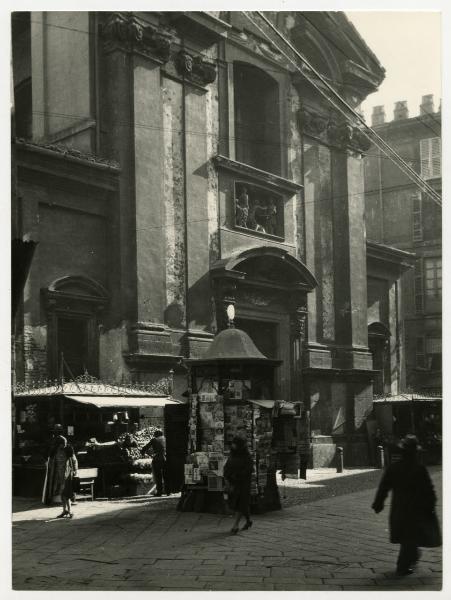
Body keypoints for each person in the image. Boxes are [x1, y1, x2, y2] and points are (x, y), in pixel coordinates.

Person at [372, 434, 439, 575]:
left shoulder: (394, 468)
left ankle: (410, 558)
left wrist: (378, 503)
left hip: (400, 508)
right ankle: (403, 565)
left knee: (407, 536)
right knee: (411, 536)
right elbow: (429, 490)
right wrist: (431, 505)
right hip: (416, 509)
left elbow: (384, 487)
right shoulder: (419, 469)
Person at [42, 435, 78, 518]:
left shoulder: (68, 450)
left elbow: (74, 460)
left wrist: (75, 470)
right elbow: (50, 462)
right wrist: (49, 467)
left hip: (67, 474)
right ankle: (65, 510)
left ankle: (69, 511)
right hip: (58, 475)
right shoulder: (54, 451)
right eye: (63, 443)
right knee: (62, 494)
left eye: (66, 442)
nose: (65, 444)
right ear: (59, 444)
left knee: (67, 493)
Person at [223, 436, 253, 534]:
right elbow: (227, 467)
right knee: (239, 503)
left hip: (243, 483)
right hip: (233, 483)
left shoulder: (247, 456)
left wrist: (237, 476)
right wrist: (227, 478)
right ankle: (248, 521)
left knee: (241, 503)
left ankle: (235, 525)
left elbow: (248, 470)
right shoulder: (232, 455)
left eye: (235, 443)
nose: (233, 445)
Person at [142, 430, 167, 496]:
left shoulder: (154, 440)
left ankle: (159, 491)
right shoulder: (165, 439)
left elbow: (145, 448)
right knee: (165, 475)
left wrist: (144, 452)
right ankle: (168, 491)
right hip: (166, 458)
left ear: (156, 435)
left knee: (158, 476)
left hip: (158, 459)